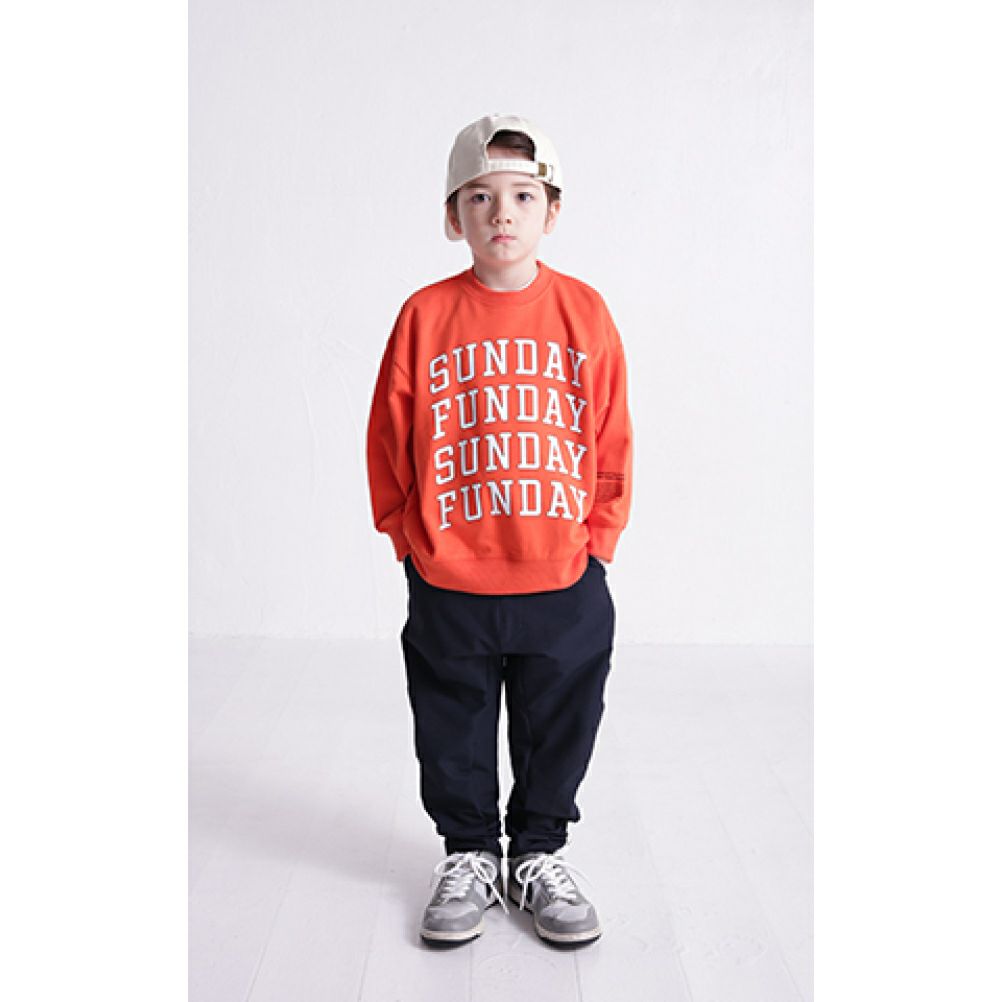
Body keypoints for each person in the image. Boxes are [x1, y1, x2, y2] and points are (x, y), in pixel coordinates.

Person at [365, 112, 633, 947]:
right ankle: (471, 852)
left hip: (562, 573)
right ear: (454, 218)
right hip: (450, 574)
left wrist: (599, 541)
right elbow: (387, 436)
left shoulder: (584, 312)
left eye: (522, 195)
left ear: (552, 211)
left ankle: (539, 853)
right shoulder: (425, 315)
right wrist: (408, 541)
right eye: (479, 197)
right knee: (452, 721)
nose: (502, 214)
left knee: (562, 718)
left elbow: (611, 434)